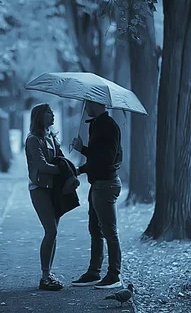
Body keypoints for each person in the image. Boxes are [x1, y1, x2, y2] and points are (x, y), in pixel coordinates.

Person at [70, 100, 123, 289]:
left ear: (97, 104)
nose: (86, 108)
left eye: (88, 104)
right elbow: (96, 159)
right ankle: (94, 272)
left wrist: (82, 149)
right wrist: (79, 170)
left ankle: (114, 275)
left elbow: (107, 158)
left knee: (109, 231)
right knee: (95, 229)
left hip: (106, 184)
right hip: (98, 183)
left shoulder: (109, 126)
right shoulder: (97, 125)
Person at [25, 103, 65, 291]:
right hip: (39, 188)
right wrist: (61, 170)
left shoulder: (51, 137)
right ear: (40, 116)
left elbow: (61, 159)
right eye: (49, 112)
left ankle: (48, 273)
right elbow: (41, 165)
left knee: (54, 231)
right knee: (51, 230)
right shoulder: (33, 139)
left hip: (53, 189)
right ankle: (44, 276)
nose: (53, 114)